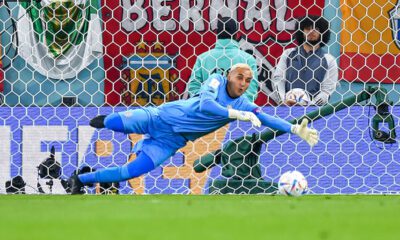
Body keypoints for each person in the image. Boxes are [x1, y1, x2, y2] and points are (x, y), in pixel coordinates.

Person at [68, 63, 319, 194]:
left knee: (131, 171)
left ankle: (79, 179)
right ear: (230, 75)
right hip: (159, 117)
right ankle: (107, 123)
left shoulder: (244, 104)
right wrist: (234, 114)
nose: (243, 84)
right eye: (240, 77)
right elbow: (206, 103)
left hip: (170, 141)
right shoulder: (216, 79)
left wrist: (294, 128)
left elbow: (266, 118)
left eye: (248, 80)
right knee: (108, 122)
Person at [186, 17, 259, 102]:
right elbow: (251, 93)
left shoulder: (203, 58)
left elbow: (193, 88)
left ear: (217, 34)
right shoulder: (248, 59)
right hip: (238, 113)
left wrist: (208, 104)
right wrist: (234, 106)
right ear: (236, 34)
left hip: (209, 113)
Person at [272, 15, 339, 106]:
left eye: (316, 29)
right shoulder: (288, 54)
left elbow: (326, 91)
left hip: (314, 113)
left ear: (323, 33)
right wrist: (283, 101)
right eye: (307, 28)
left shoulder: (329, 60)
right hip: (286, 108)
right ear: (301, 31)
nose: (311, 31)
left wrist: (310, 105)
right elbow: (278, 80)